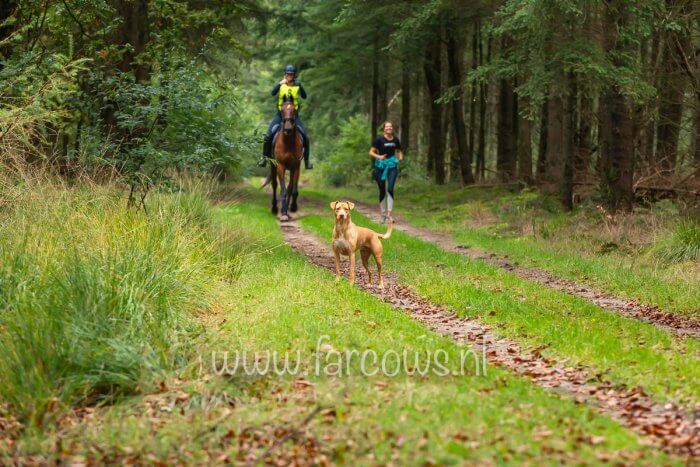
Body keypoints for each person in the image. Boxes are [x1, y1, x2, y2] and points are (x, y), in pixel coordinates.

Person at [258, 65, 313, 170]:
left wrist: (300, 86)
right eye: (287, 74)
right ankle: (264, 158)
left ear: (294, 75)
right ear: (285, 74)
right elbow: (272, 93)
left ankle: (307, 161)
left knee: (305, 136)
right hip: (280, 115)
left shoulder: (297, 85)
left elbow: (305, 96)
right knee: (268, 135)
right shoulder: (281, 85)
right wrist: (279, 84)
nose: (289, 76)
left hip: (294, 116)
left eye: (291, 74)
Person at [369, 121, 403, 223]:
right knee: (382, 190)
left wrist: (400, 158)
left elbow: (399, 151)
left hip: (392, 166)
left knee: (390, 188)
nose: (389, 128)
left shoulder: (396, 140)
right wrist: (379, 156)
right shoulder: (379, 139)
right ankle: (383, 214)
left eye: (390, 126)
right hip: (381, 166)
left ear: (392, 128)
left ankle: (389, 214)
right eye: (387, 127)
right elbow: (371, 152)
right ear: (384, 129)